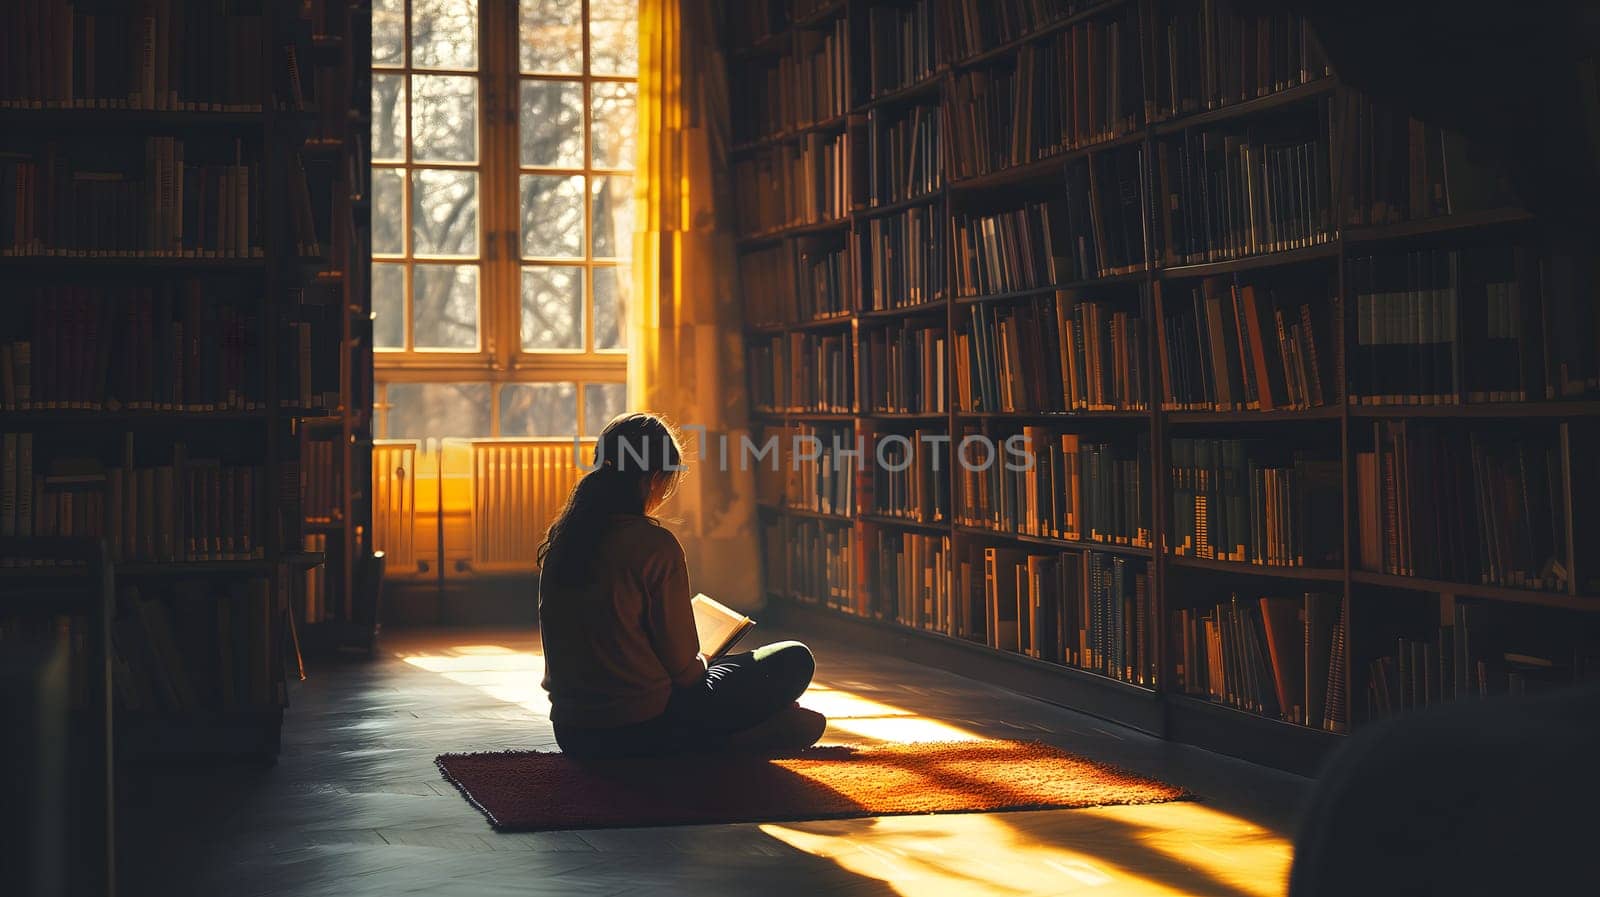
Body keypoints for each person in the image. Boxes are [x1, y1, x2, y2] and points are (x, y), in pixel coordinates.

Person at [537, 412, 826, 758]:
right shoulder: (654, 545)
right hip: (642, 728)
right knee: (793, 657)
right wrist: (704, 659)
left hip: (573, 733)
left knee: (729, 675)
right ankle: (724, 743)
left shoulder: (564, 541)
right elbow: (686, 675)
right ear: (654, 478)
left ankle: (742, 736)